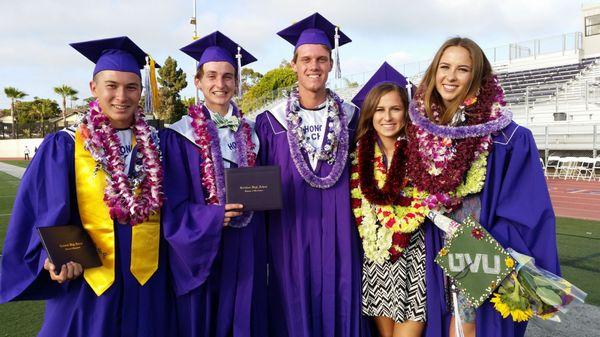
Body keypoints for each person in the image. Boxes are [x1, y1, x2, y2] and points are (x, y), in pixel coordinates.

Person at [0, 36, 176, 337]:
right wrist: (51, 258)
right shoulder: (65, 144)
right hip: (88, 281)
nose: (122, 96)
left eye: (131, 87)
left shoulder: (161, 144)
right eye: (112, 86)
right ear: (93, 88)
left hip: (147, 282)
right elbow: (43, 210)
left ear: (141, 91)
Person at [403, 37, 559, 337]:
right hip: (432, 249)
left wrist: (476, 246)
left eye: (462, 69)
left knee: (470, 326)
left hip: (477, 249)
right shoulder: (420, 133)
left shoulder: (507, 138)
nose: (450, 76)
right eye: (444, 67)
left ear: (477, 78)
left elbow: (527, 210)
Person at [255, 12, 370, 337]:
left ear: (331, 64)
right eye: (306, 59)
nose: (313, 66)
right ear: (293, 64)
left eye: (321, 59)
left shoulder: (352, 118)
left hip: (341, 233)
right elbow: (258, 183)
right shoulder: (270, 123)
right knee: (292, 304)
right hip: (289, 232)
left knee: (341, 297)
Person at [160, 31, 267, 337]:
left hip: (247, 243)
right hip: (204, 245)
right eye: (211, 76)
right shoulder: (179, 137)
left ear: (236, 82)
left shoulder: (253, 132)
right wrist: (212, 217)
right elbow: (173, 202)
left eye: (228, 77)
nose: (220, 84)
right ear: (198, 81)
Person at [349, 62, 425, 337]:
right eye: (380, 109)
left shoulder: (422, 154)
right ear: (370, 115)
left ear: (406, 113)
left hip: (415, 257)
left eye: (395, 108)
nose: (388, 117)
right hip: (376, 258)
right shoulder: (358, 158)